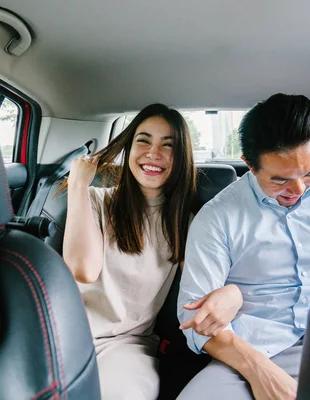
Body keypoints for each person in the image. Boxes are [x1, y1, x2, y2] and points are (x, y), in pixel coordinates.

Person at [177, 94, 310, 400]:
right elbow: (194, 323)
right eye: (281, 180)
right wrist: (259, 370)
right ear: (249, 165)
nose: (299, 189)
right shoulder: (217, 217)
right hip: (254, 349)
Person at [59, 103, 241, 400]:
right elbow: (83, 268)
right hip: (64, 335)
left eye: (168, 146)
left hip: (126, 345)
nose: (153, 153)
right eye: (143, 141)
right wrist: (78, 184)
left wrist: (233, 293)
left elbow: (207, 285)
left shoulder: (186, 224)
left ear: (180, 158)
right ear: (128, 148)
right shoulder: (94, 199)